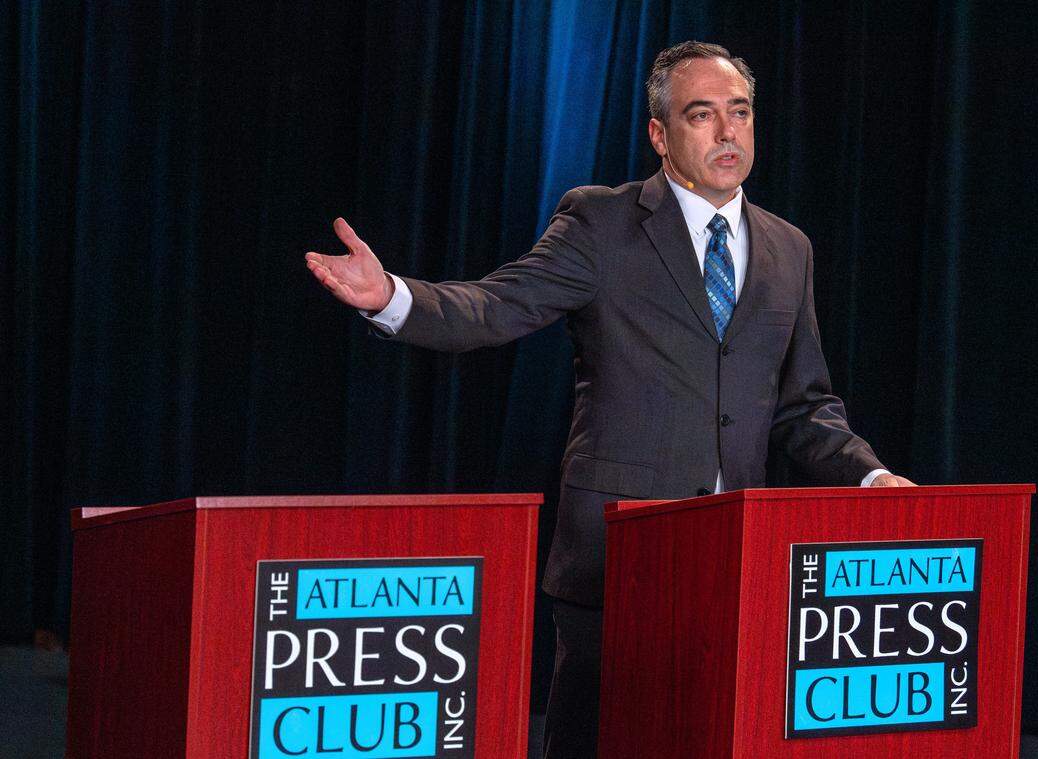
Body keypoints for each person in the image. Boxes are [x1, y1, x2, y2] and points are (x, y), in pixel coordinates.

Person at [305, 40, 914, 759]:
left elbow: (804, 404)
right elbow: (497, 305)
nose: (728, 134)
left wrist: (872, 477)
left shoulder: (791, 248)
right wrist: (394, 298)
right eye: (702, 115)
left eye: (740, 114)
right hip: (616, 558)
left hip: (732, 565)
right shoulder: (601, 223)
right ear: (660, 134)